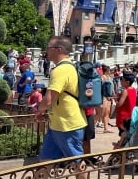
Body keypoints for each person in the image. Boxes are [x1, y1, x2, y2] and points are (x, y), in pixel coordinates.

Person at [34, 37, 87, 178]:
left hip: (68, 125)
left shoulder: (61, 70)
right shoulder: (68, 67)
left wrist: (39, 109)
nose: (46, 51)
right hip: (58, 124)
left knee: (77, 164)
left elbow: (49, 99)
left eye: (49, 47)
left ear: (59, 49)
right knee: (44, 160)